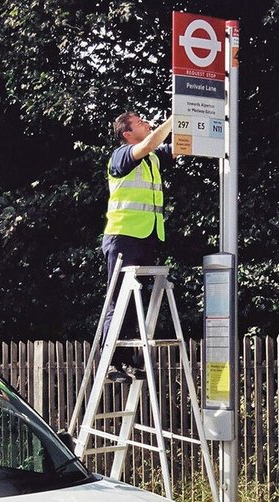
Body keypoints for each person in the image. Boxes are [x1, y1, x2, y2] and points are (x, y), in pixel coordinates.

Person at [101, 111, 174, 380]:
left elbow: (181, 147)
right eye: (140, 122)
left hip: (147, 235)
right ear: (127, 134)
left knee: (135, 302)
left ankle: (128, 361)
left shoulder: (152, 157)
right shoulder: (121, 155)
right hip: (124, 236)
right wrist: (173, 119)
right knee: (119, 299)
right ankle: (110, 362)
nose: (146, 123)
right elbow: (151, 144)